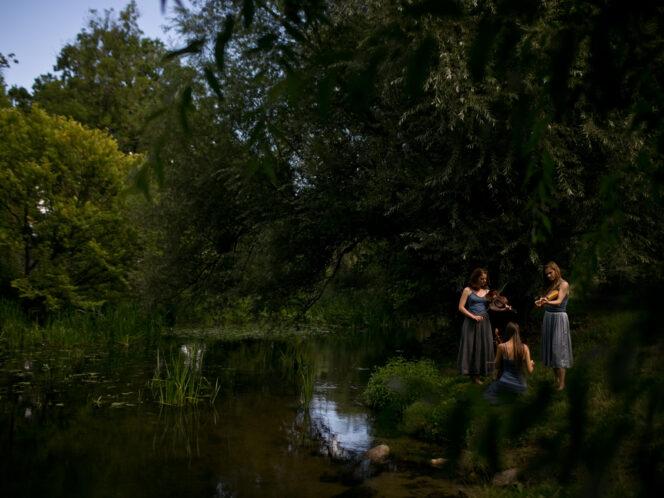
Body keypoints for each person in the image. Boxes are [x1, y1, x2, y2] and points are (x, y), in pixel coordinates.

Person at [535, 261, 572, 390]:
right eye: (547, 274)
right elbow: (547, 300)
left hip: (559, 318)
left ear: (556, 270)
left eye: (551, 273)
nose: (549, 276)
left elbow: (559, 301)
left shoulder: (564, 284)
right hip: (549, 317)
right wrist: (541, 300)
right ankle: (556, 381)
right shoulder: (550, 286)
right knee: (551, 350)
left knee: (559, 351)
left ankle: (562, 384)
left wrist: (546, 301)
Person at [457, 268, 495, 384]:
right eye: (482, 278)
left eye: (485, 279)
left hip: (484, 322)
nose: (484, 281)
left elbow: (493, 306)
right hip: (471, 323)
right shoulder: (467, 290)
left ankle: (483, 371)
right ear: (476, 278)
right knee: (472, 347)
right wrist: (472, 316)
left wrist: (504, 307)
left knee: (484, 346)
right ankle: (473, 375)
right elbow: (461, 307)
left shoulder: (487, 291)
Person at [483, 322, 534, 404]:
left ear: (507, 332)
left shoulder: (502, 347)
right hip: (521, 386)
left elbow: (496, 366)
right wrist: (531, 363)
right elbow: (530, 371)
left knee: (488, 393)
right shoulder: (525, 348)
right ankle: (513, 396)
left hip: (505, 383)